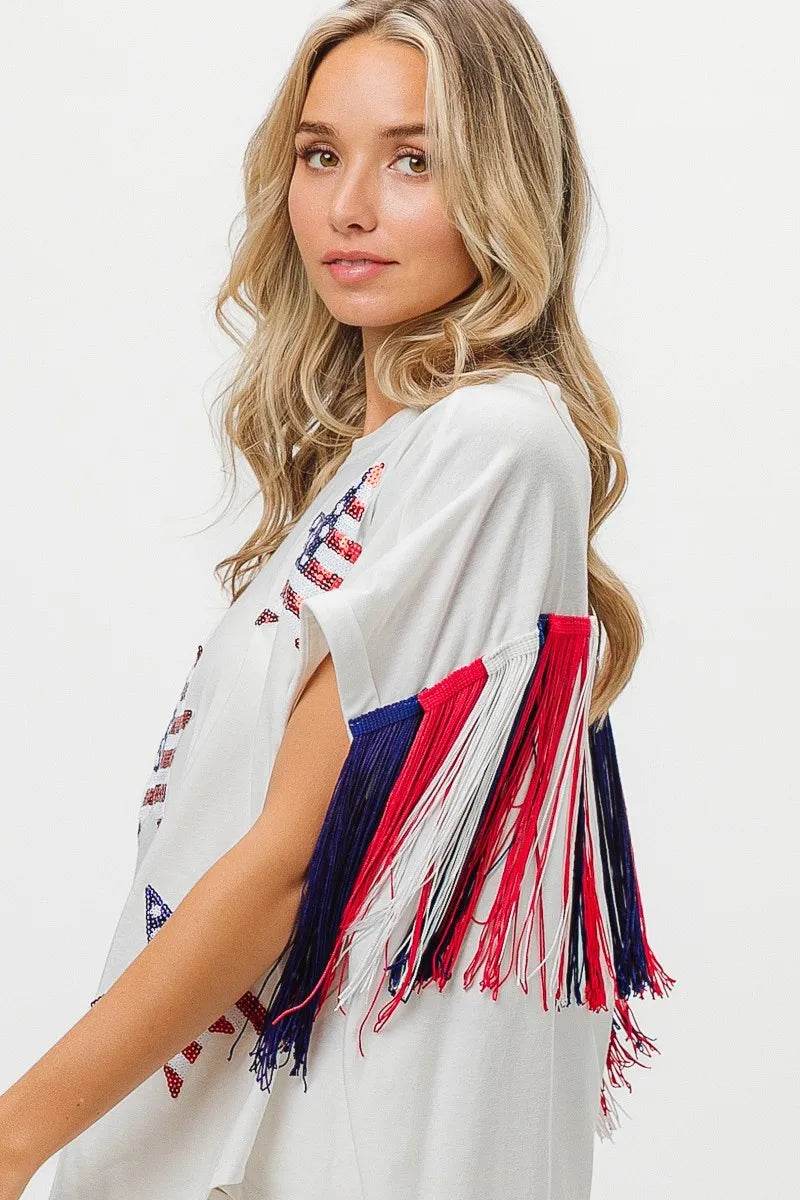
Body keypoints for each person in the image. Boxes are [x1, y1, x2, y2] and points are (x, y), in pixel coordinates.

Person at [0, 2, 675, 1198]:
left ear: (505, 185)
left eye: (413, 160)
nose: (348, 206)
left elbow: (292, 859)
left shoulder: (493, 442)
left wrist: (14, 1136)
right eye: (320, 155)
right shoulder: (384, 461)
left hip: (347, 1142)